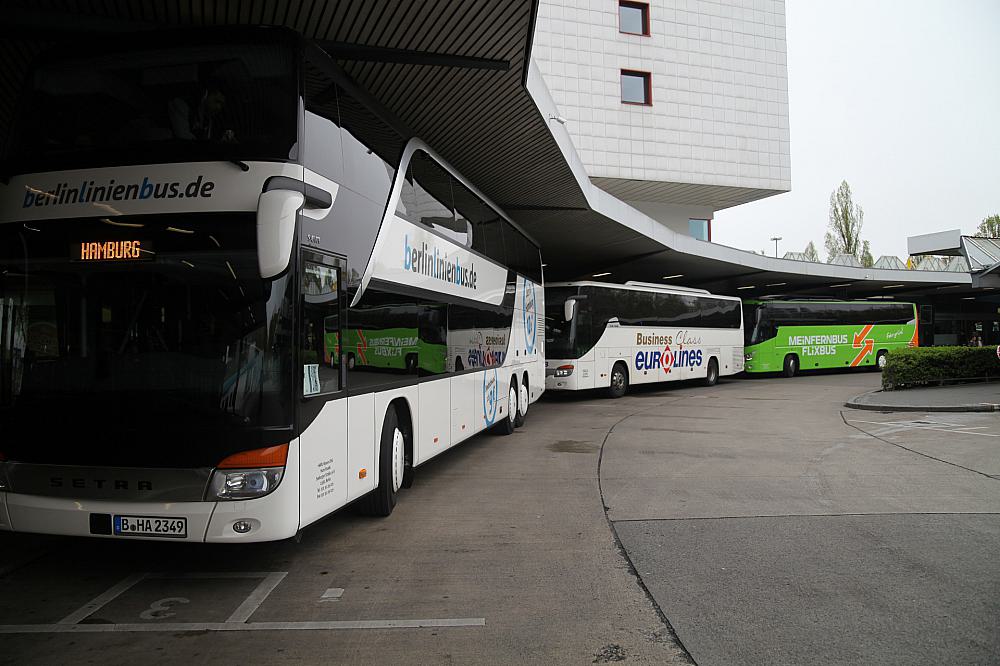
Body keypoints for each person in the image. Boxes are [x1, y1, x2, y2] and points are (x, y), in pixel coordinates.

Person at [168, 80, 235, 142]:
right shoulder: (181, 105)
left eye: (222, 105)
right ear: (206, 94)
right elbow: (184, 138)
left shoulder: (208, 118)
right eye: (217, 101)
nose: (219, 107)